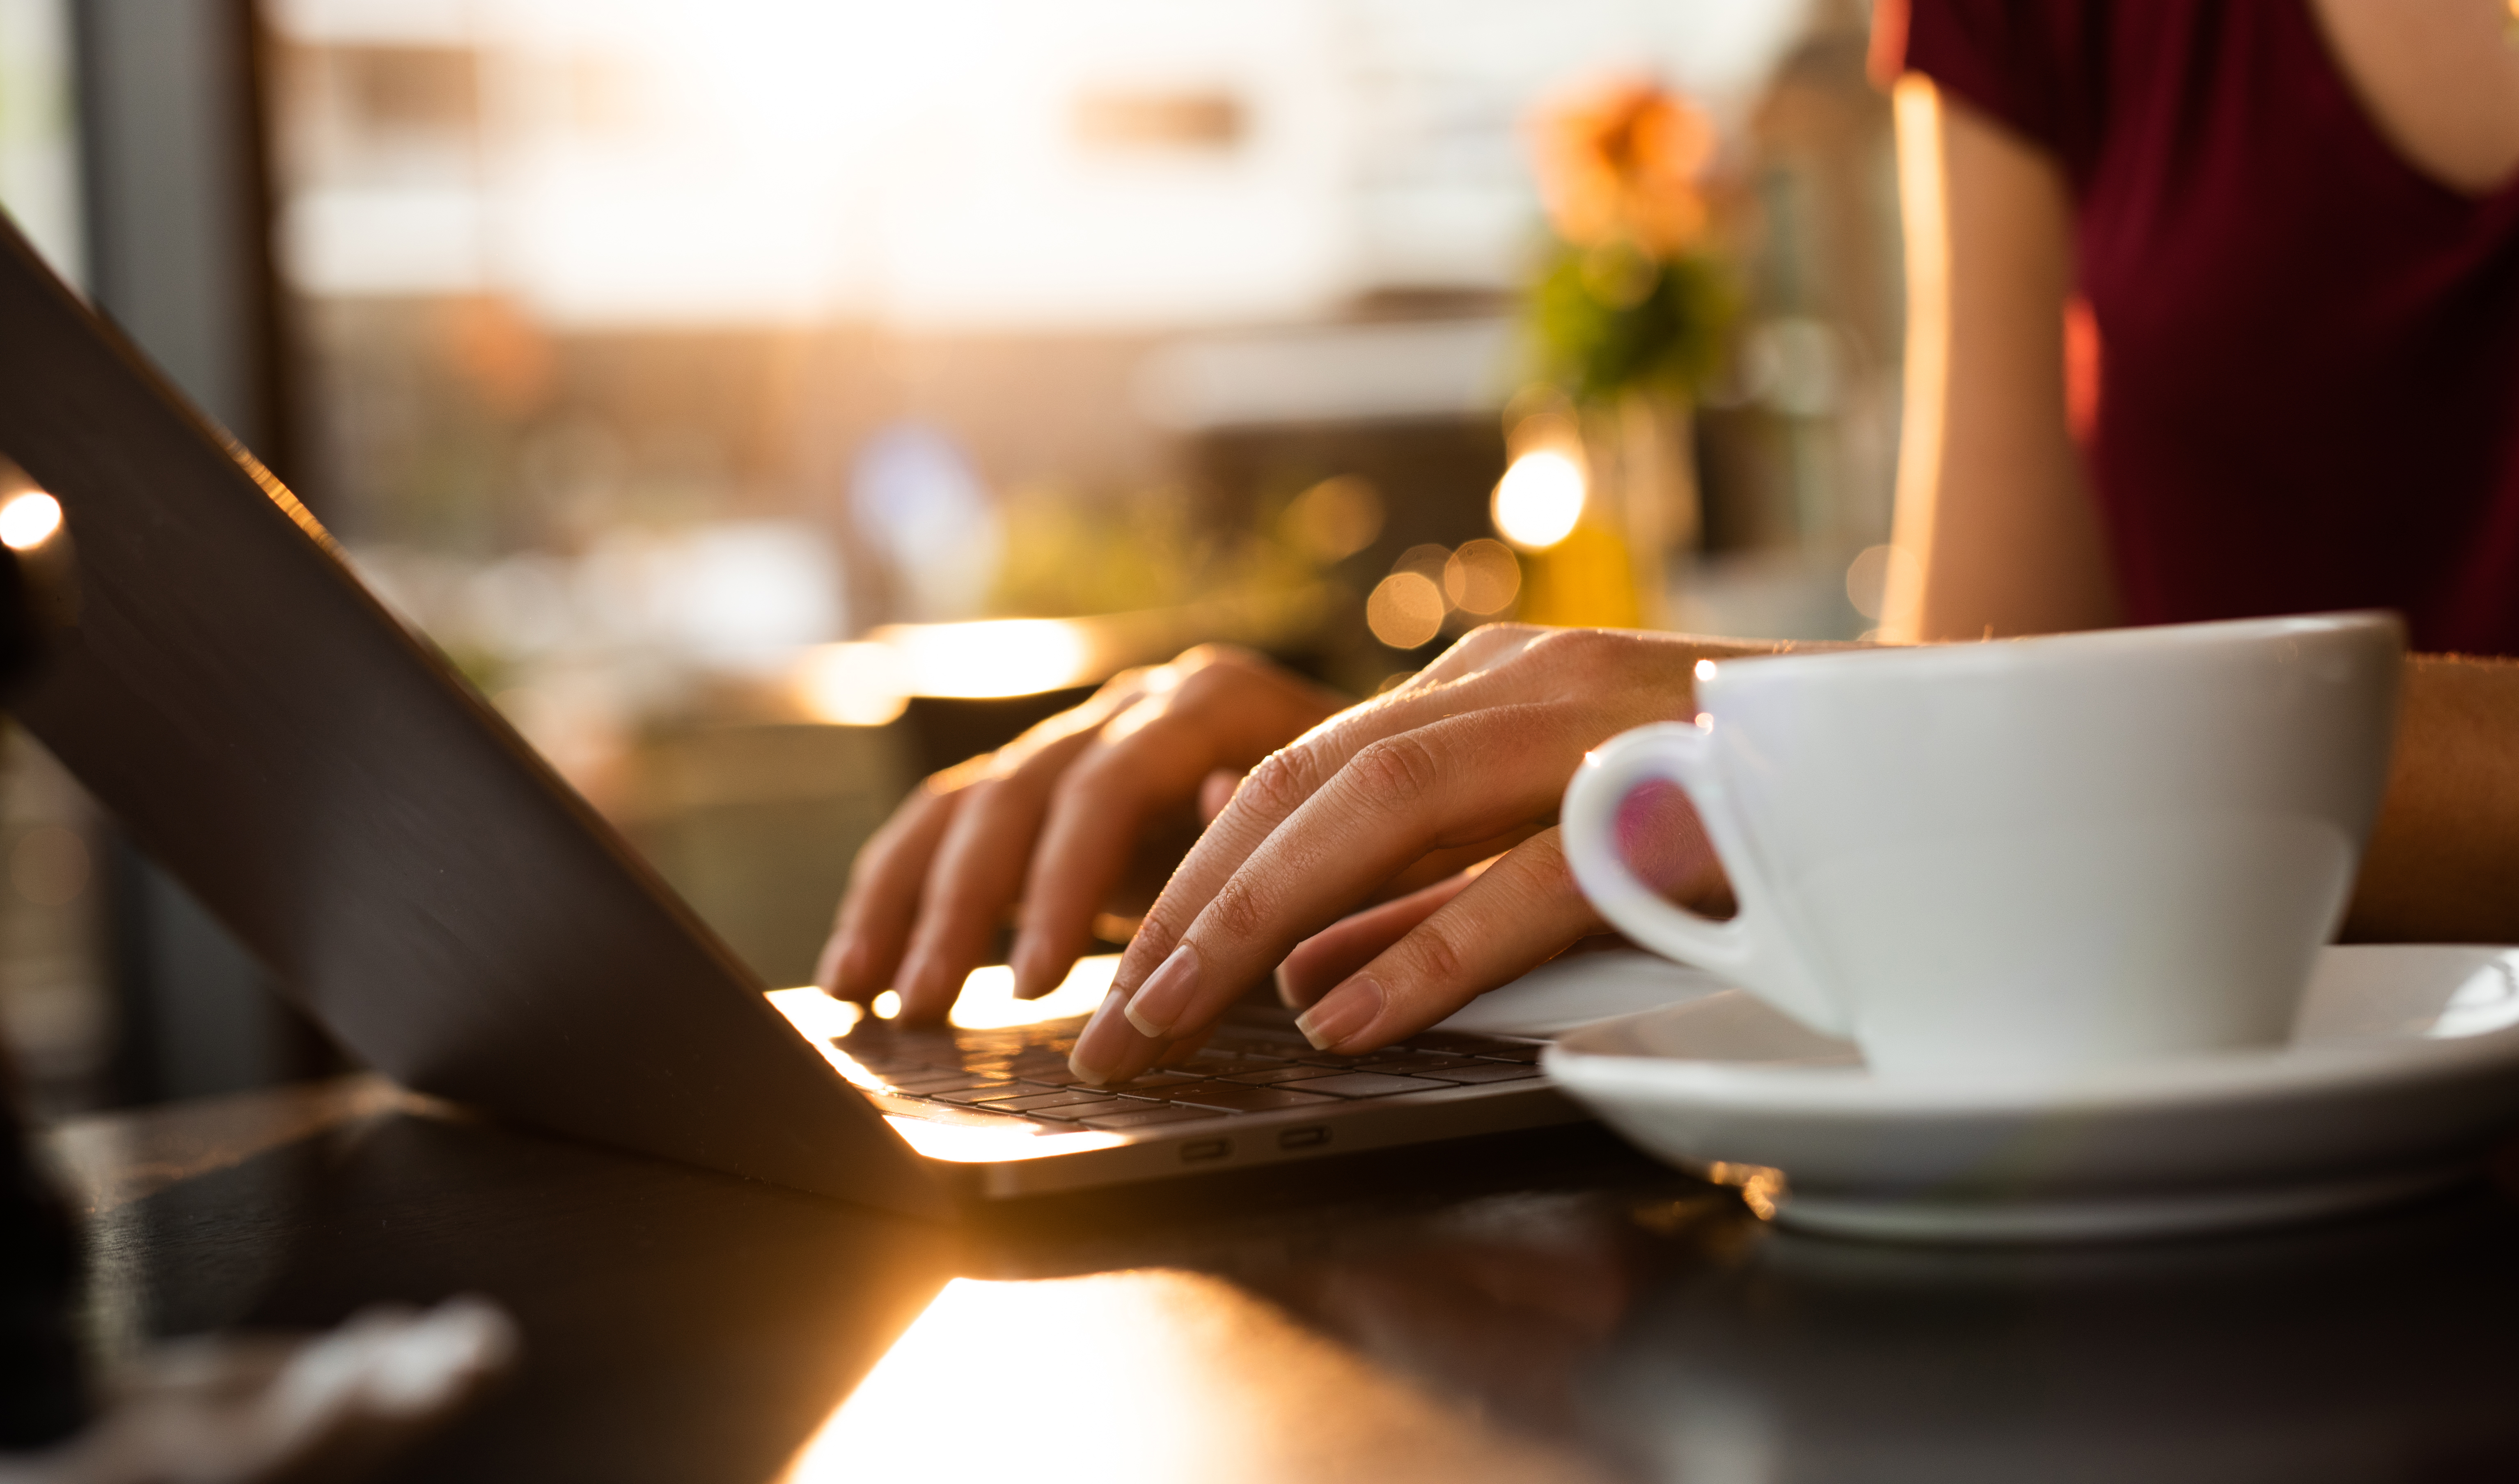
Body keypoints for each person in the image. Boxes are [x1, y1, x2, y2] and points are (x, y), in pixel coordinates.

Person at [819, 0, 2519, 1086]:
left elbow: (1958, 753)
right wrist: (1417, 826)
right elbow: (1968, 714)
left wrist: (1854, 753)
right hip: (2194, 1223)